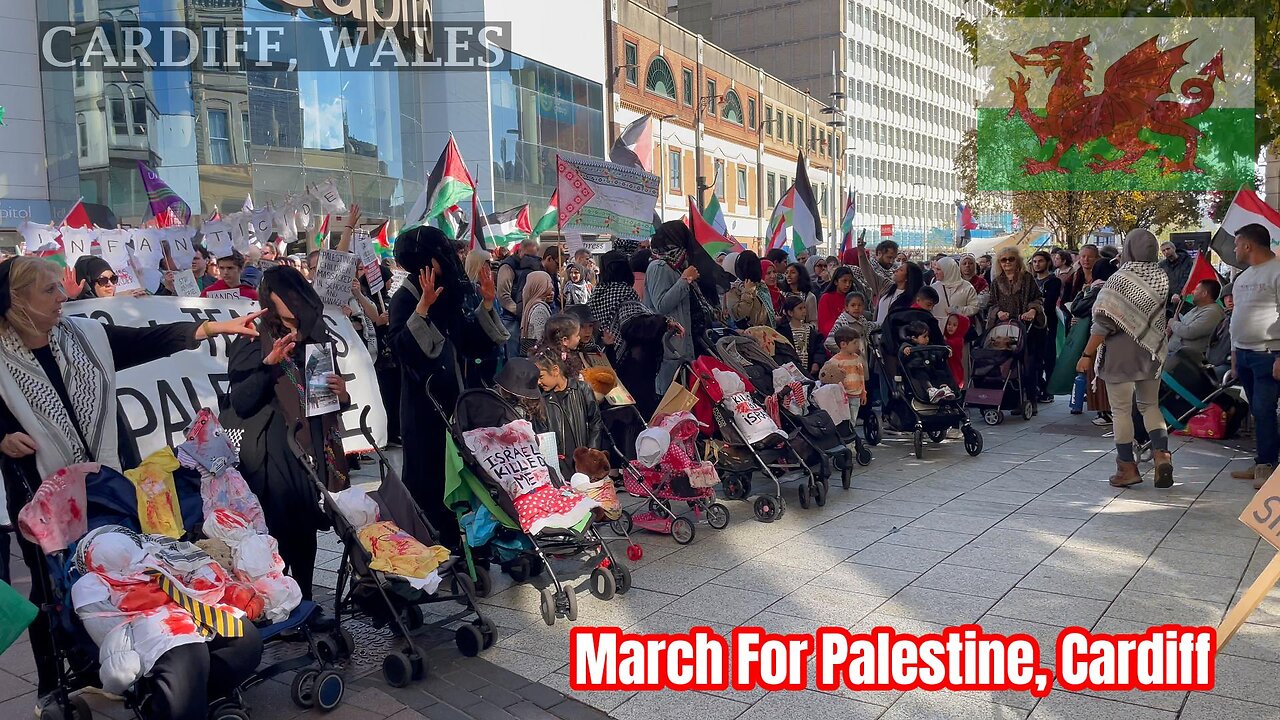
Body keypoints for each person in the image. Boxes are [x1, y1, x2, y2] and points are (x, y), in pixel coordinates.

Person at [0, 256, 262, 698]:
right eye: (48, 290)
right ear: (16, 300)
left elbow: (150, 340)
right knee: (51, 588)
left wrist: (214, 329)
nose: (62, 297)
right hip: (43, 497)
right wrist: (3, 435)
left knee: (119, 570)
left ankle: (128, 654)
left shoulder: (83, 337)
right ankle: (54, 682)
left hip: (109, 482)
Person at [226, 266, 348, 601]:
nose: (294, 301)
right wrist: (269, 364)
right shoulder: (253, 335)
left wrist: (342, 395)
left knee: (306, 526)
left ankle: (304, 599)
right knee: (279, 529)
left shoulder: (315, 334)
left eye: (298, 292)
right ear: (270, 297)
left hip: (310, 446)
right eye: (286, 294)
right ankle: (279, 599)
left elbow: (324, 399)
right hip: (271, 447)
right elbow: (242, 402)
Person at [387, 226, 506, 544]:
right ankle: (428, 541)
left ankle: (463, 540)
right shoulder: (405, 299)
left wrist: (488, 304)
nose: (452, 262)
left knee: (460, 472)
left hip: (456, 400)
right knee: (428, 474)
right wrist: (422, 310)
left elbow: (471, 342)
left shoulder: (449, 293)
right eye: (444, 257)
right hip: (424, 406)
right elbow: (402, 351)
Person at [1075, 229, 1173, 489]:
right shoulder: (1160, 277)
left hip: (1119, 354)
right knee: (1150, 406)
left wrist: (1086, 355)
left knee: (1120, 411)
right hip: (1150, 350)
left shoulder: (1120, 279)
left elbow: (1103, 324)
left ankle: (1127, 467)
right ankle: (1162, 455)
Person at [1227, 224, 1280, 488]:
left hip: (1269, 354)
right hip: (1245, 354)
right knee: (1258, 411)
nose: (1234, 249)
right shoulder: (1243, 278)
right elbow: (1237, 317)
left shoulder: (1277, 271)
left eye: (1236, 244)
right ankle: (1263, 460)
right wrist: (1235, 354)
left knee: (1264, 409)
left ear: (1248, 245)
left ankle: (1268, 466)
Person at [645, 222, 706, 395]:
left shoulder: (677, 266)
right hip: (669, 347)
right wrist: (685, 280)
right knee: (670, 401)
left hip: (683, 347)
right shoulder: (659, 266)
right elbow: (661, 304)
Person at [531, 349, 602, 479]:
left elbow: (595, 422)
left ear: (556, 370)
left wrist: (593, 452)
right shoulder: (541, 400)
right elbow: (542, 435)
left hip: (584, 462)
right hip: (559, 467)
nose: (539, 383)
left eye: (541, 377)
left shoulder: (582, 389)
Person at [496, 238, 542, 360]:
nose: (529, 259)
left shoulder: (533, 266)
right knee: (513, 358)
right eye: (527, 255)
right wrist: (521, 311)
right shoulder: (508, 266)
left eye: (533, 256)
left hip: (527, 319)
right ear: (519, 251)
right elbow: (503, 296)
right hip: (511, 319)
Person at [588, 250, 639, 352]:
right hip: (620, 347)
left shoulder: (598, 290)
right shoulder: (626, 291)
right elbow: (634, 323)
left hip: (597, 345)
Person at [1030, 250, 1062, 402]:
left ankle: (1049, 390)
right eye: (1035, 261)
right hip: (1031, 325)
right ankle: (1037, 386)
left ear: (1047, 262)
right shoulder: (1031, 281)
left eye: (1040, 261)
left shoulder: (1053, 281)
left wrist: (1035, 306)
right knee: (1034, 357)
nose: (1037, 264)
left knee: (1048, 357)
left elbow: (1049, 303)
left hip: (1048, 323)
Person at [1168, 279, 1225, 364]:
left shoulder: (1212, 312)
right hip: (1175, 354)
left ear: (1204, 293)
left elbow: (1189, 332)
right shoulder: (1197, 308)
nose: (1192, 292)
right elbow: (1183, 324)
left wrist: (1173, 323)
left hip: (1187, 360)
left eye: (1196, 289)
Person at [901, 320, 957, 402]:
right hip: (917, 369)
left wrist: (945, 351)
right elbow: (902, 350)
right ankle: (930, 390)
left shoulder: (930, 346)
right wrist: (905, 349)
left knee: (941, 373)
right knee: (922, 375)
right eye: (924, 336)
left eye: (928, 336)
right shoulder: (909, 346)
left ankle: (944, 389)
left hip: (931, 369)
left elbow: (939, 354)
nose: (927, 339)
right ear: (914, 338)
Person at [821, 326, 867, 421]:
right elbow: (830, 378)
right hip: (842, 396)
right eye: (854, 343)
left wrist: (863, 392)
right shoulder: (835, 361)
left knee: (853, 419)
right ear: (843, 344)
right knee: (843, 419)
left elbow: (861, 376)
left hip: (856, 395)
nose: (857, 345)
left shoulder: (857, 358)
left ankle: (852, 432)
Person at [775, 295, 824, 377]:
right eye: (800, 308)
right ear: (790, 312)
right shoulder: (782, 332)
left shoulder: (811, 331)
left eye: (804, 308)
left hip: (809, 372)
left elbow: (819, 349)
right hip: (790, 373)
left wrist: (817, 362)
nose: (804, 311)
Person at [725, 251, 776, 328]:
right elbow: (738, 315)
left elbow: (767, 312)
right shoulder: (734, 289)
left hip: (766, 332)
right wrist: (748, 292)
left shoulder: (761, 285)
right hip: (746, 336)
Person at [929, 257, 979, 327]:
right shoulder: (934, 287)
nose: (935, 272)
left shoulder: (967, 287)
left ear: (948, 270)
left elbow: (974, 307)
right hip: (938, 328)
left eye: (938, 269)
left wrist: (958, 310)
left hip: (959, 329)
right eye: (935, 269)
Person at [875, 261, 924, 326]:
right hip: (878, 333)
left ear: (908, 277)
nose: (895, 270)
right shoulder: (888, 288)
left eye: (901, 270)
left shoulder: (913, 300)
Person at [520, 270, 555, 353]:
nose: (551, 286)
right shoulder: (539, 309)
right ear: (541, 286)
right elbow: (541, 338)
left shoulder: (533, 305)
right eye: (549, 283)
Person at [817, 267, 856, 336]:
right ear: (836, 282)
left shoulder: (852, 298)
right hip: (832, 338)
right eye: (844, 281)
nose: (847, 285)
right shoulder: (826, 298)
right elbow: (824, 325)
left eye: (850, 282)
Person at [1159, 240, 1193, 312]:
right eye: (1163, 251)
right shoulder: (1162, 265)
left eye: (1168, 249)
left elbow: (1186, 277)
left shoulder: (1186, 261)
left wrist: (1177, 293)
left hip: (1185, 299)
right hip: (1169, 301)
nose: (1166, 252)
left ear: (1174, 248)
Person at [944, 314, 971, 388]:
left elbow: (946, 344)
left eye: (954, 325)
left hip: (954, 371)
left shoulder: (958, 340)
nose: (950, 327)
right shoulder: (950, 339)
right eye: (948, 324)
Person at [542, 246, 563, 313]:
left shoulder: (553, 275)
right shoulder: (533, 273)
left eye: (561, 266)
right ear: (549, 259)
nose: (558, 269)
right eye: (557, 264)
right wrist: (543, 299)